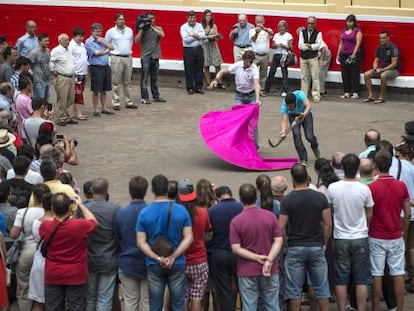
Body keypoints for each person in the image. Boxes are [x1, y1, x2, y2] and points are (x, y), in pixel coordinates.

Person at [278, 163, 332, 311]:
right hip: (316, 245)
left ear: (292, 179)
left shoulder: (287, 200)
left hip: (295, 246)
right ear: (308, 178)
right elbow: (327, 224)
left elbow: (281, 226)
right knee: (322, 288)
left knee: (294, 290)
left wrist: (284, 244)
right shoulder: (320, 198)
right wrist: (324, 242)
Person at [136, 174, 193, 311]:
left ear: (152, 190)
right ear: (168, 188)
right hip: (177, 262)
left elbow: (141, 242)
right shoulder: (181, 210)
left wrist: (158, 258)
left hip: (154, 263)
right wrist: (173, 257)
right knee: (178, 304)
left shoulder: (144, 213)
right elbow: (189, 237)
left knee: (155, 305)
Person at [327, 154, 373, 311]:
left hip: (340, 237)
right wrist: (366, 227)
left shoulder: (333, 188)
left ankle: (342, 308)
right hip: (360, 236)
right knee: (361, 278)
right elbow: (369, 213)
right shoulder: (364, 189)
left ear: (342, 168)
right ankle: (361, 308)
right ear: (357, 168)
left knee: (341, 278)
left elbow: (330, 211)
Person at [230, 183, 283, 310]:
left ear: (241, 198)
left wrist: (255, 257)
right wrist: (269, 259)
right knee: (272, 305)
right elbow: (278, 239)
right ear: (256, 196)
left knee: (249, 306)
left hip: (246, 269)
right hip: (270, 268)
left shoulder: (237, 221)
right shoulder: (270, 216)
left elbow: (236, 248)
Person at [368, 149, 411, 311]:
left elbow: (370, 214)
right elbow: (407, 212)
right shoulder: (401, 186)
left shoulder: (372, 187)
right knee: (398, 272)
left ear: (375, 166)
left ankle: (375, 307)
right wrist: (403, 230)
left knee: (377, 273)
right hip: (395, 235)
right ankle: (399, 308)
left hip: (376, 235)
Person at [40, 193, 97, 310]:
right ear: (70, 208)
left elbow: (51, 221)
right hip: (76, 274)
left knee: (53, 307)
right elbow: (93, 221)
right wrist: (81, 205)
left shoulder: (44, 226)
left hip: (53, 273)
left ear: (52, 209)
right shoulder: (79, 225)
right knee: (77, 307)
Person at [209, 50, 261, 148]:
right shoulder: (237, 65)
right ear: (244, 60)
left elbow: (256, 84)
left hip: (251, 96)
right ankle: (236, 143)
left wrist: (258, 99)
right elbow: (223, 71)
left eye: (250, 62)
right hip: (239, 96)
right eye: (247, 61)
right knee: (237, 120)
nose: (248, 64)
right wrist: (216, 79)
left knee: (252, 121)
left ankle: (254, 145)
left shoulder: (254, 69)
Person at [85, 178, 120, 311]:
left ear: (92, 190)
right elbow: (118, 234)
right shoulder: (115, 209)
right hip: (109, 258)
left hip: (90, 258)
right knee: (104, 298)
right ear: (106, 191)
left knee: (90, 296)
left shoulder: (85, 209)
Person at [176, 178, 212, 311]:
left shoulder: (177, 213)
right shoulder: (202, 212)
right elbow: (207, 232)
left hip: (181, 259)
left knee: (183, 296)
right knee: (197, 296)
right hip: (199, 260)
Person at [10, 181, 45, 309]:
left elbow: (14, 234)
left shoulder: (23, 212)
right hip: (43, 253)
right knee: (42, 288)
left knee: (23, 286)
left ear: (33, 196)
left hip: (26, 251)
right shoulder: (49, 213)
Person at [115, 176, 149, 311]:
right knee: (147, 301)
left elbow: (117, 237)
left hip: (127, 262)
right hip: (147, 262)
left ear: (130, 191)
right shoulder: (150, 211)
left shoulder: (121, 213)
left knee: (130, 302)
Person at [207, 186, 242, 311]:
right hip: (239, 252)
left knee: (223, 288)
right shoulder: (241, 208)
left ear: (217, 197)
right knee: (240, 285)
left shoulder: (211, 211)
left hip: (219, 252)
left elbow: (208, 233)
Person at [28, 183, 52, 311]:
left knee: (38, 302)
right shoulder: (57, 224)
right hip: (53, 263)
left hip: (39, 261)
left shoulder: (36, 223)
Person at [105, 13, 137, 110]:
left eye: (123, 19)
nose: (121, 21)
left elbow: (131, 43)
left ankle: (128, 101)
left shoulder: (129, 30)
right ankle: (116, 102)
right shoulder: (110, 32)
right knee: (115, 81)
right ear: (115, 21)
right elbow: (107, 43)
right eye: (119, 19)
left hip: (127, 57)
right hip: (116, 57)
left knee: (128, 81)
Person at [280, 91, 320, 165]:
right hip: (293, 116)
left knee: (309, 136)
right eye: (288, 106)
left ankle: (315, 146)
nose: (289, 108)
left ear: (295, 102)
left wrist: (303, 115)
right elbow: (284, 119)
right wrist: (283, 132)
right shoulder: (284, 104)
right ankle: (303, 159)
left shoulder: (300, 95)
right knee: (296, 135)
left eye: (291, 106)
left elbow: (309, 106)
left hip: (305, 113)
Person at [135, 11, 166, 105]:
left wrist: (151, 26)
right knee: (144, 78)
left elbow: (162, 35)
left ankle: (156, 96)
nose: (151, 20)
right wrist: (141, 29)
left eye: (152, 18)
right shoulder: (142, 29)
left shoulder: (158, 28)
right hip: (145, 56)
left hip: (155, 56)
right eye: (149, 18)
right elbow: (136, 40)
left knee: (155, 78)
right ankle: (144, 97)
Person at [85, 23, 115, 117]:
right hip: (96, 67)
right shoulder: (89, 42)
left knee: (104, 89)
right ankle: (95, 109)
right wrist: (106, 51)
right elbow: (96, 53)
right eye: (96, 31)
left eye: (100, 31)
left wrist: (103, 42)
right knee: (96, 90)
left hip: (105, 66)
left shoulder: (102, 40)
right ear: (92, 31)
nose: (98, 33)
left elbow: (112, 47)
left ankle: (104, 108)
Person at [363, 30, 400, 104]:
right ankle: (371, 96)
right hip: (382, 69)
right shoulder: (379, 47)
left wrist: (382, 70)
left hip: (394, 70)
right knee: (366, 74)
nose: (381, 40)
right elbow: (376, 61)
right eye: (380, 38)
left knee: (383, 75)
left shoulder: (393, 48)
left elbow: (394, 64)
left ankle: (381, 97)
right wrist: (375, 69)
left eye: (383, 38)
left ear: (388, 38)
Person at [50, 33, 78, 126]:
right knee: (62, 98)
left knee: (70, 98)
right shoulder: (56, 51)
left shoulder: (68, 50)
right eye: (65, 40)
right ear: (60, 41)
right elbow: (50, 61)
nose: (68, 41)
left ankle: (68, 116)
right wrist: (53, 70)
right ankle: (60, 118)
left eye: (68, 40)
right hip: (62, 77)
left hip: (71, 77)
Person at [336, 14, 363, 99]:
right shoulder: (343, 31)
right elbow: (341, 43)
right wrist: (338, 54)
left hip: (353, 54)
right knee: (345, 73)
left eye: (351, 22)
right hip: (344, 54)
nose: (349, 23)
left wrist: (354, 54)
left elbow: (358, 43)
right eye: (348, 21)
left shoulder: (357, 31)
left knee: (354, 73)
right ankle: (346, 91)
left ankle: (355, 92)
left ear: (354, 22)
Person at [180, 10, 205, 95]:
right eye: (190, 18)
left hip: (198, 49)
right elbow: (186, 40)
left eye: (193, 17)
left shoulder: (199, 25)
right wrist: (197, 36)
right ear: (187, 18)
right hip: (188, 50)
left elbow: (203, 36)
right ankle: (190, 88)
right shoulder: (183, 27)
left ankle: (198, 87)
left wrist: (192, 35)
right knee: (189, 69)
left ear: (196, 18)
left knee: (199, 69)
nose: (192, 19)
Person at [264, 20, 292, 97]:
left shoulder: (288, 35)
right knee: (272, 72)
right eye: (279, 27)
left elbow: (290, 47)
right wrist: (277, 45)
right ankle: (266, 89)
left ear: (285, 28)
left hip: (284, 55)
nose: (280, 28)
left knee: (284, 73)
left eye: (282, 27)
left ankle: (285, 90)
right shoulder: (276, 35)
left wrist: (285, 46)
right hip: (276, 54)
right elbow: (272, 46)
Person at [298, 16, 322, 103]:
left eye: (312, 23)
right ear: (306, 23)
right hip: (303, 58)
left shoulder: (318, 33)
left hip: (313, 58)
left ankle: (316, 95)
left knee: (315, 77)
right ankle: (303, 96)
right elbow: (300, 45)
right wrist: (312, 46)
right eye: (309, 23)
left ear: (315, 24)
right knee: (304, 77)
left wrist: (309, 46)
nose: (310, 25)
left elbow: (318, 45)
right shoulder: (302, 32)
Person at [249, 15, 273, 96]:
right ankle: (252, 90)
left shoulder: (267, 30)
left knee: (263, 74)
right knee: (253, 73)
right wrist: (257, 32)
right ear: (255, 22)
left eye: (261, 22)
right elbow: (253, 40)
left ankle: (261, 90)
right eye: (258, 22)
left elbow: (271, 33)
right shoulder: (252, 31)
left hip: (265, 55)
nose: (259, 23)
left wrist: (264, 29)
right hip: (255, 55)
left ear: (264, 21)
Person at [68, 27, 89, 120]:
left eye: (82, 36)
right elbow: (70, 59)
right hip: (76, 73)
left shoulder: (82, 45)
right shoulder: (71, 46)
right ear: (74, 36)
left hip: (83, 72)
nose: (81, 38)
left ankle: (74, 112)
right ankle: (78, 113)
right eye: (79, 36)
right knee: (77, 93)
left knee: (79, 92)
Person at [201, 9, 223, 88]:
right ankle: (208, 82)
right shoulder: (200, 26)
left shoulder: (214, 25)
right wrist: (206, 38)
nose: (209, 17)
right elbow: (200, 37)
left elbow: (217, 36)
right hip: (205, 46)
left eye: (210, 16)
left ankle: (219, 82)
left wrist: (216, 37)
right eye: (207, 15)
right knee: (206, 65)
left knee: (217, 64)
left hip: (213, 45)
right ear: (204, 16)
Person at [28, 33, 51, 102]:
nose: (47, 42)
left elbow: (48, 63)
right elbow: (29, 66)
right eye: (45, 41)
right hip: (38, 80)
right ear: (39, 41)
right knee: (39, 100)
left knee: (47, 99)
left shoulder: (48, 51)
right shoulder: (34, 53)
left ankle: (45, 112)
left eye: (48, 41)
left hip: (47, 79)